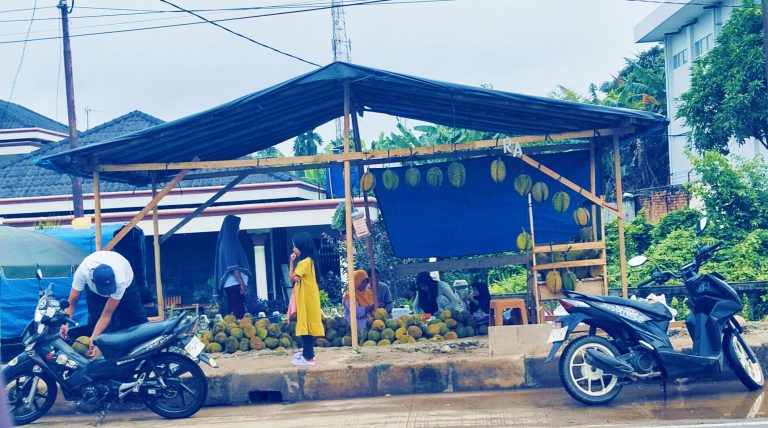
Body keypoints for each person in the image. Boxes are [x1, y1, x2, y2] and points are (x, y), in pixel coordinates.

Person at [62, 251, 148, 358]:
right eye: (105, 291)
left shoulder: (120, 280)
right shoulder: (83, 272)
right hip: (95, 293)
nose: (108, 294)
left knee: (137, 320)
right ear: (93, 281)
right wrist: (64, 323)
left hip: (127, 285)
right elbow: (72, 301)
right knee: (98, 324)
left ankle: (148, 353)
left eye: (109, 290)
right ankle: (104, 359)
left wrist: (91, 341)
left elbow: (107, 314)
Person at [289, 232, 324, 367]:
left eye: (295, 247)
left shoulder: (304, 262)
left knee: (306, 328)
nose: (293, 249)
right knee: (307, 327)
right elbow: (294, 277)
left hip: (306, 301)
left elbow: (291, 277)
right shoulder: (309, 261)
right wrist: (292, 261)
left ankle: (308, 358)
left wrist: (292, 262)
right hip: (309, 299)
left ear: (301, 246)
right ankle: (308, 354)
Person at [214, 215, 252, 319]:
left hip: (233, 285)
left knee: (235, 314)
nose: (238, 229)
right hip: (234, 284)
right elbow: (232, 266)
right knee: (238, 315)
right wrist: (242, 283)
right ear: (232, 227)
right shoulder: (229, 242)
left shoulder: (226, 241)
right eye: (237, 226)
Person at [343, 270, 376, 334]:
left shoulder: (368, 292)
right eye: (362, 282)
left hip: (370, 327)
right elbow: (358, 312)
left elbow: (374, 307)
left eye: (366, 282)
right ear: (356, 282)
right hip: (355, 329)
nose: (364, 285)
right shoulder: (349, 296)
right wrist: (371, 306)